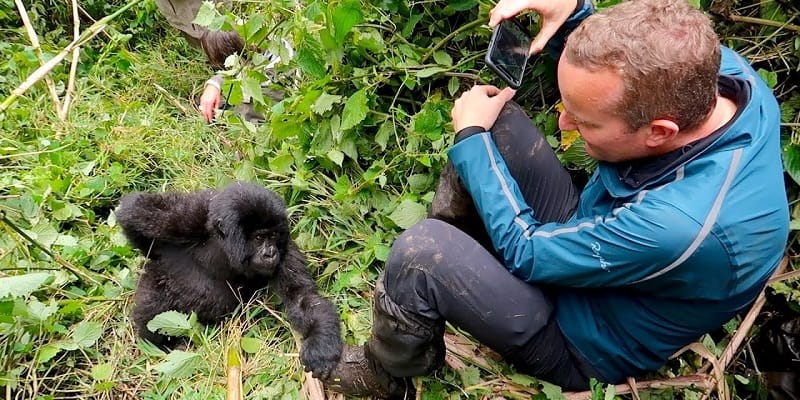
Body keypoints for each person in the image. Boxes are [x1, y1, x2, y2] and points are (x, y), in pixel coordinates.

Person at [320, 0, 789, 398]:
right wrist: (573, 14)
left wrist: (469, 139)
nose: (564, 124)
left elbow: (528, 252)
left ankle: (385, 375)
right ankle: (464, 273)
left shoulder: (684, 225)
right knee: (498, 125)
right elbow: (629, 70)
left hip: (579, 340)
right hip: (605, 245)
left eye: (584, 122)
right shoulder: (719, 76)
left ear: (659, 132)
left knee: (422, 254)